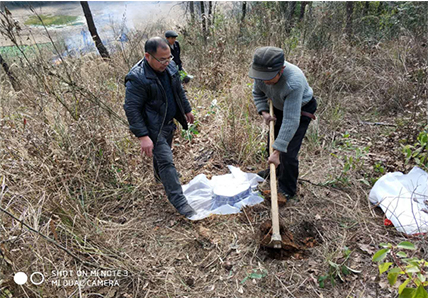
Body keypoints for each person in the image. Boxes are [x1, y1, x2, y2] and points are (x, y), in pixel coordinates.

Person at [123, 37, 196, 218]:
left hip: (168, 122)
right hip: (152, 127)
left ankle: (158, 180)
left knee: (162, 157)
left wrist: (186, 110)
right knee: (166, 161)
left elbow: (178, 90)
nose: (166, 62)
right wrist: (142, 136)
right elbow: (131, 109)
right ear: (148, 56)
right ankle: (180, 203)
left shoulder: (170, 67)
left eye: (169, 57)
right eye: (162, 59)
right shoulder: (137, 77)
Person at [248, 46, 317, 199]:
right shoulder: (260, 74)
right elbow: (258, 93)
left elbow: (291, 120)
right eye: (262, 76)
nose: (264, 80)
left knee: (287, 152)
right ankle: (275, 171)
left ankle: (287, 188)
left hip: (301, 108)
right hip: (279, 104)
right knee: (271, 144)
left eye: (269, 77)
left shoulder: (293, 82)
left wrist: (278, 152)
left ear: (282, 69)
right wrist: (264, 112)